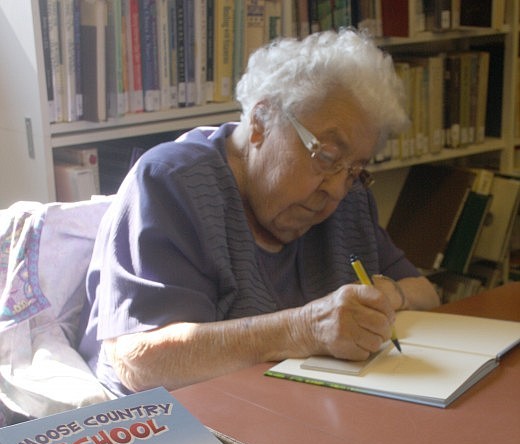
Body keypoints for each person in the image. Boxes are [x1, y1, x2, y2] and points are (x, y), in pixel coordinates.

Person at [79, 29, 439, 397]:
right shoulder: (174, 183)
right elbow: (141, 362)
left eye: (354, 170)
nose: (336, 189)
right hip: (171, 431)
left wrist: (388, 297)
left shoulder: (349, 198)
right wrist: (303, 329)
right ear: (261, 122)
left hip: (296, 411)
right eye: (327, 157)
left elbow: (426, 292)